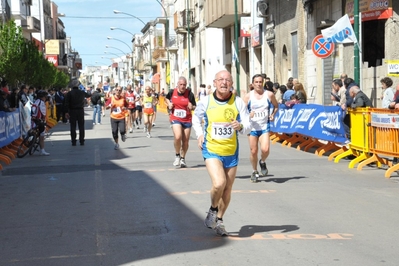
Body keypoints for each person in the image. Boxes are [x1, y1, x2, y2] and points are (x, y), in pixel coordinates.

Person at [192, 69, 250, 236]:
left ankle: (219, 220)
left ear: (232, 84)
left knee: (227, 189)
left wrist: (240, 126)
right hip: (211, 149)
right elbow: (196, 118)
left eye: (228, 80)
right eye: (221, 80)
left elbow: (248, 125)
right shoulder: (206, 101)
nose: (224, 83)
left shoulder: (238, 102)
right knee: (219, 183)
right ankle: (212, 210)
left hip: (231, 151)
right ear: (215, 82)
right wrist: (200, 134)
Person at [244, 74, 278, 182]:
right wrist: (249, 115)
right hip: (252, 127)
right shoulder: (248, 96)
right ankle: (254, 171)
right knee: (253, 151)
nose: (258, 84)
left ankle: (262, 161)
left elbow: (276, 106)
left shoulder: (269, 94)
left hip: (264, 126)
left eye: (260, 82)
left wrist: (273, 114)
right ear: (253, 84)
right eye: (256, 82)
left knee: (265, 149)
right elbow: (241, 112)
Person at [165, 76, 196, 168]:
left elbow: (194, 105)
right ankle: (177, 155)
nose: (183, 86)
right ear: (178, 84)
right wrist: (169, 104)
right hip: (176, 118)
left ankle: (183, 158)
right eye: (181, 84)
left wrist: (192, 107)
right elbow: (166, 99)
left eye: (184, 85)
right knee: (178, 136)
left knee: (185, 141)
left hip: (187, 119)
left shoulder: (189, 93)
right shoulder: (172, 92)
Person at [64, 79, 91, 146]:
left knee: (73, 126)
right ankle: (81, 140)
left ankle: (73, 141)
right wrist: (86, 89)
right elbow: (88, 95)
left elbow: (66, 103)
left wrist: (66, 112)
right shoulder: (81, 92)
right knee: (81, 126)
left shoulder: (69, 93)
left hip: (72, 110)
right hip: (80, 110)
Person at [31, 90, 50, 156]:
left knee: (37, 133)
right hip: (39, 120)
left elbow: (34, 109)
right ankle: (42, 150)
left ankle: (33, 143)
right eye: (45, 96)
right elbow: (42, 112)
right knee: (42, 136)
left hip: (36, 119)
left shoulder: (37, 101)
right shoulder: (40, 102)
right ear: (43, 97)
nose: (46, 98)